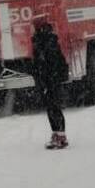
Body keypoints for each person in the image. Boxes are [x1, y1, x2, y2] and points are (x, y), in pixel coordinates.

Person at [31, 18, 69, 150]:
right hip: (50, 79)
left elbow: (48, 63)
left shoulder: (45, 42)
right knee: (52, 107)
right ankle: (58, 134)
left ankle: (59, 135)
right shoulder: (47, 40)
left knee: (53, 107)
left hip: (50, 79)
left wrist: (44, 78)